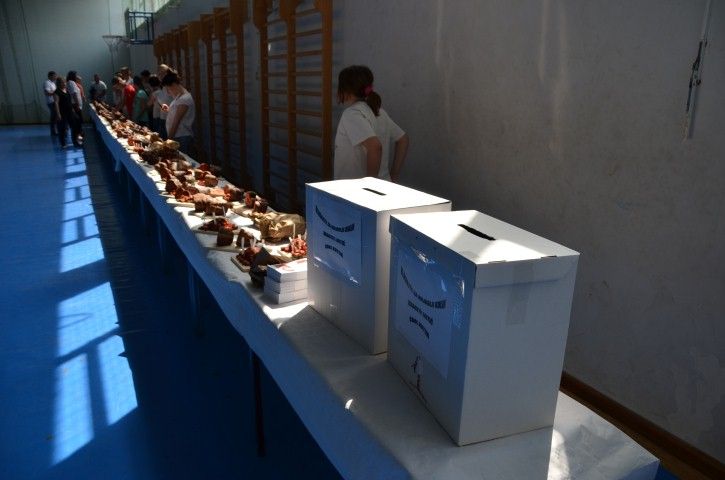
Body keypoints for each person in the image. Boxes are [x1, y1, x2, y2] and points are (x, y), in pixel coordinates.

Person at [334, 65, 409, 181]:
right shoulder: (379, 112)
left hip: (356, 189)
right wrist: (394, 175)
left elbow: (375, 146)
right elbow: (403, 139)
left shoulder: (352, 114)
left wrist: (369, 185)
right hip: (383, 185)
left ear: (345, 89)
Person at [161, 71, 195, 155]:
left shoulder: (185, 99)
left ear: (174, 85)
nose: (168, 92)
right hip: (178, 136)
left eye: (168, 89)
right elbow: (177, 114)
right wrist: (168, 109)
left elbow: (176, 121)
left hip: (181, 137)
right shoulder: (179, 96)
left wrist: (169, 139)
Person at [54, 77, 82, 148]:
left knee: (74, 126)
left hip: (70, 111)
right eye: (62, 82)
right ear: (59, 83)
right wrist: (58, 114)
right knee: (63, 128)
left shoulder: (67, 90)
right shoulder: (57, 92)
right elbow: (56, 103)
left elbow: (69, 101)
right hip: (62, 112)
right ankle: (63, 143)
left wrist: (72, 109)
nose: (64, 83)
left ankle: (75, 141)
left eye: (64, 82)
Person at [66, 71, 84, 145]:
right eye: (76, 75)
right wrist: (77, 105)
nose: (77, 76)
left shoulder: (72, 83)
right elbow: (74, 94)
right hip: (75, 106)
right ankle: (77, 141)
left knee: (78, 124)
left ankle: (78, 140)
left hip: (76, 105)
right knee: (77, 125)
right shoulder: (71, 82)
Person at [43, 71, 58, 136]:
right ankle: (53, 131)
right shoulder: (47, 83)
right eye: (54, 76)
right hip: (51, 102)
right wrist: (56, 92)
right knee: (53, 117)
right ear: (50, 76)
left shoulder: (53, 83)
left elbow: (53, 91)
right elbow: (47, 93)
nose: (56, 77)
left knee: (55, 116)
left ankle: (55, 130)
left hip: (55, 101)